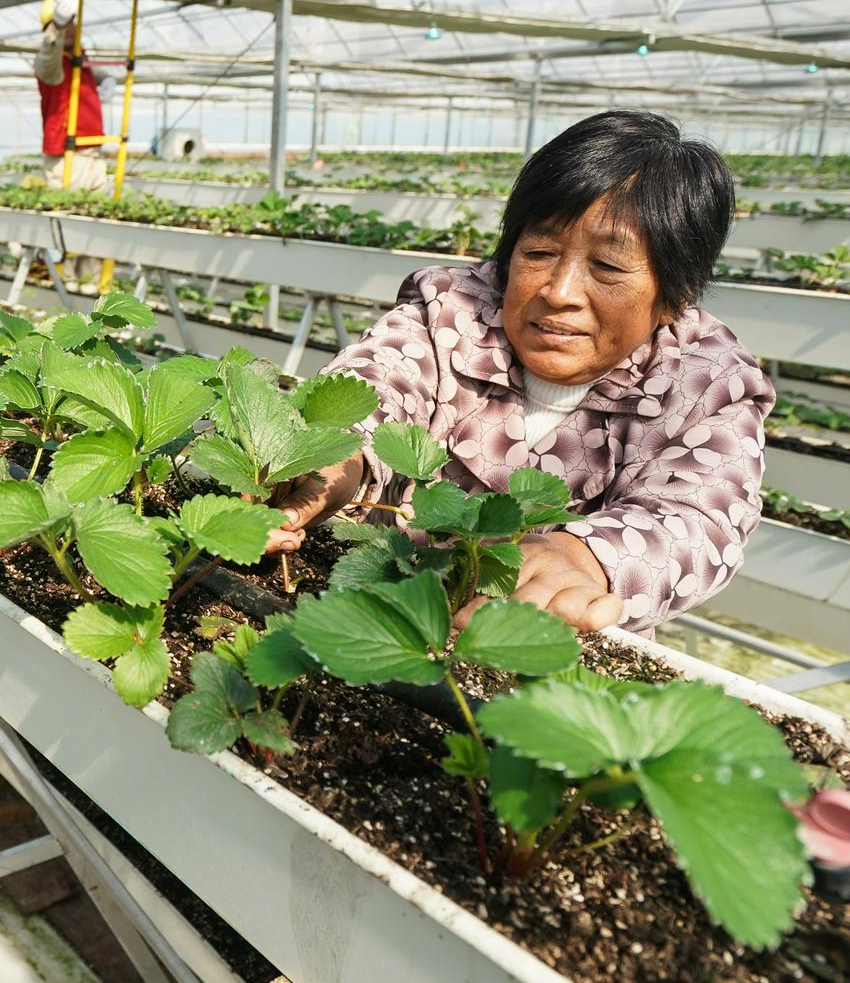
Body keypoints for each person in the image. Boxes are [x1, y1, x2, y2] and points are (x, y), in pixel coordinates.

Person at [266, 110, 774, 634]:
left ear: (676, 294)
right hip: (363, 608)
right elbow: (376, 381)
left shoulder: (708, 382)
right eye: (539, 252)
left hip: (530, 650)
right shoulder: (451, 310)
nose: (559, 291)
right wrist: (333, 457)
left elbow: (699, 517)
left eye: (608, 268)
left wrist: (583, 558)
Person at [33, 0, 118, 193]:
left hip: (93, 150)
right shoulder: (50, 63)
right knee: (70, 214)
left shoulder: (78, 57)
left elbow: (93, 72)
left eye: (72, 22)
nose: (69, 28)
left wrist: (106, 78)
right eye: (63, 23)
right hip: (67, 155)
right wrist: (57, 27)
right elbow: (48, 53)